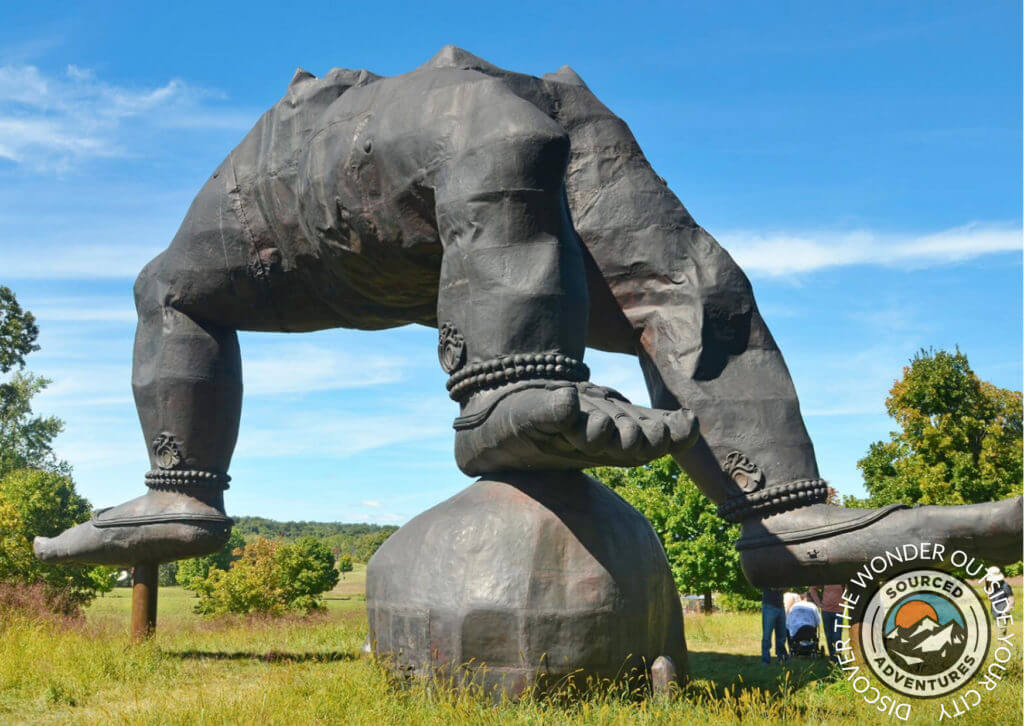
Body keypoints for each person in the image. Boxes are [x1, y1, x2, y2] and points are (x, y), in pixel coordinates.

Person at [32, 47, 1023, 584]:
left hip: (493, 194)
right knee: (483, 126)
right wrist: (521, 382)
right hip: (305, 200)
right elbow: (170, 292)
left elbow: (681, 286)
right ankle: (192, 487)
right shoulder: (354, 129)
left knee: (693, 278)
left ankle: (784, 515)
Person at [809, 584, 844, 659]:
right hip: (826, 611)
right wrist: (818, 603)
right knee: (829, 636)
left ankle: (838, 656)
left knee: (837, 636)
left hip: (839, 611)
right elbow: (812, 589)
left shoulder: (840, 579)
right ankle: (832, 656)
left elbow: (847, 588)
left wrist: (843, 600)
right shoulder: (825, 579)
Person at [980, 566, 1015, 636]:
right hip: (996, 612)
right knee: (999, 632)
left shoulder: (1005, 586)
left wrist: (1006, 611)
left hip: (1003, 612)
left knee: (1001, 633)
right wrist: (988, 585)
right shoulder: (993, 586)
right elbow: (989, 597)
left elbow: (1011, 600)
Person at [762, 588, 788, 664]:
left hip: (781, 606)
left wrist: (782, 587)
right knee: (767, 635)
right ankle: (766, 660)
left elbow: (787, 588)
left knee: (782, 635)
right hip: (769, 605)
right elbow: (773, 587)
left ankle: (782, 658)